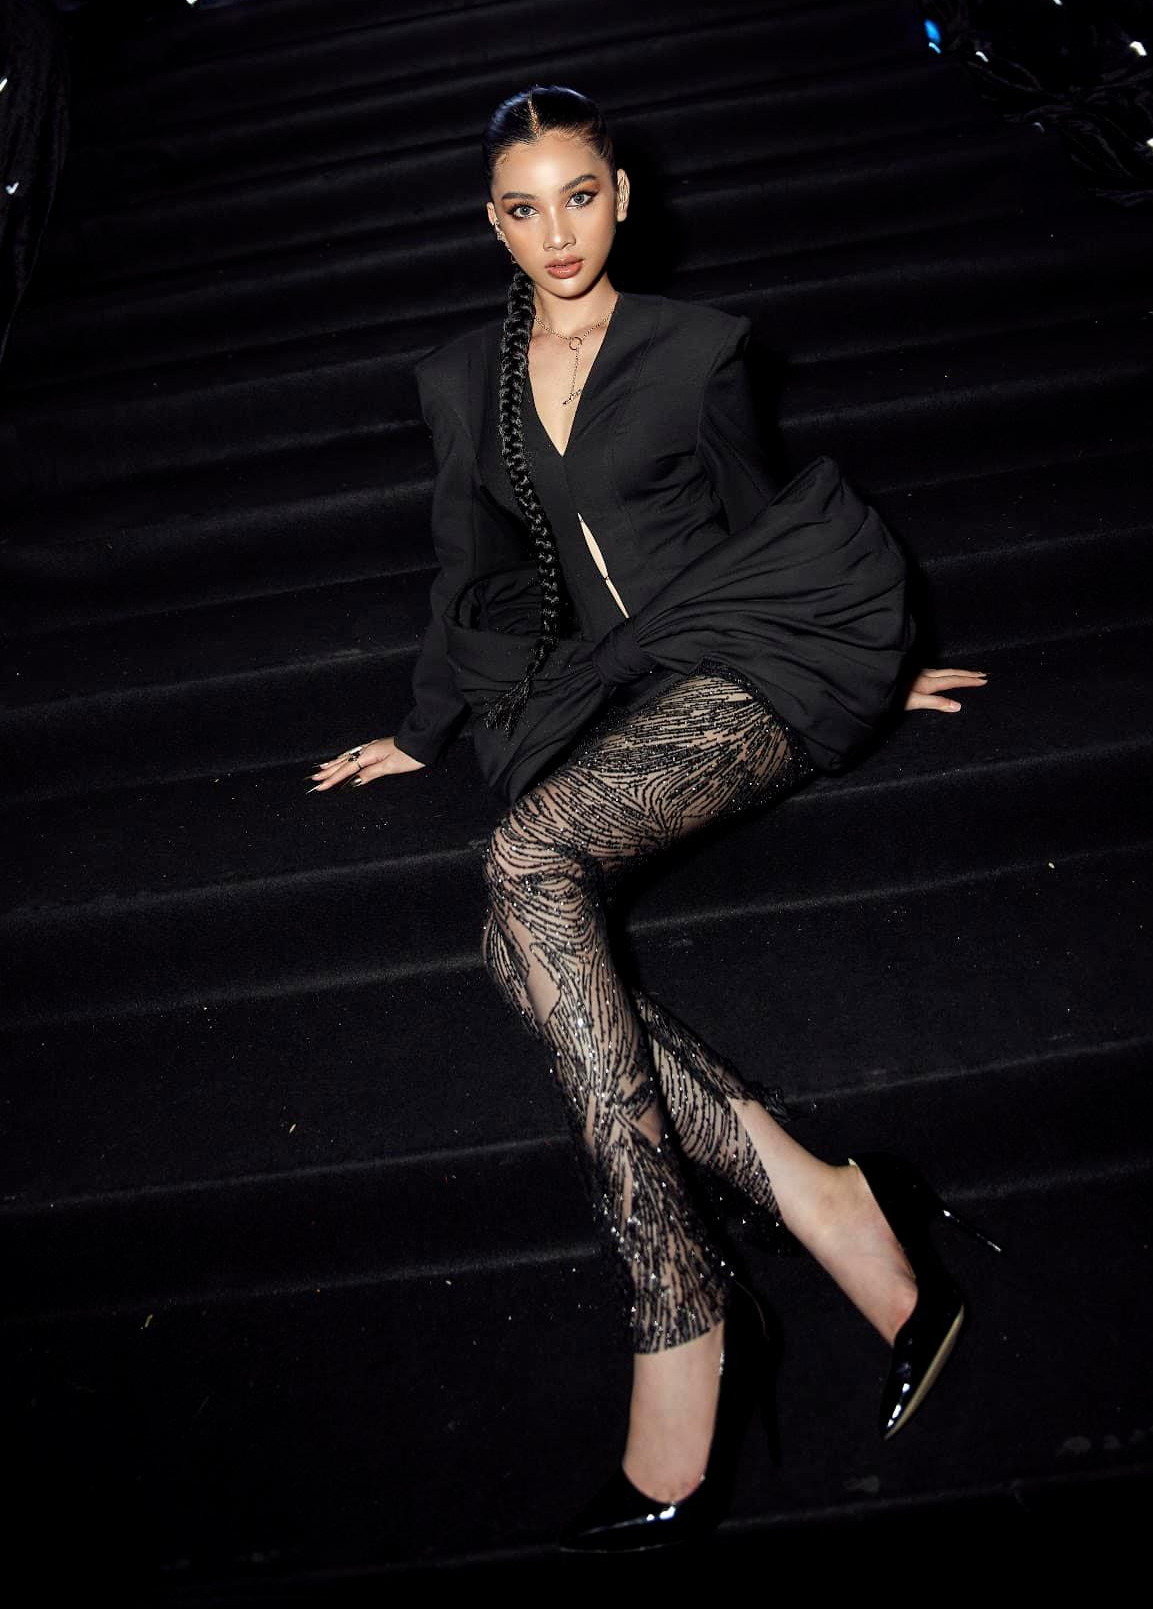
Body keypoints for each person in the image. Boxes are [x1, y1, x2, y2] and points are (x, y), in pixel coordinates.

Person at [307, 85, 995, 1552]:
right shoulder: (464, 381)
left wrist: (876, 664)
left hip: (751, 661)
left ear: (623, 195)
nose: (557, 231)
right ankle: (829, 1204)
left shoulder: (695, 348)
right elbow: (466, 572)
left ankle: (676, 1295)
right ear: (492, 224)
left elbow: (770, 521)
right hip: (602, 690)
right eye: (523, 207)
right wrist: (420, 730)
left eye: (580, 195)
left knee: (527, 864)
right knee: (517, 941)